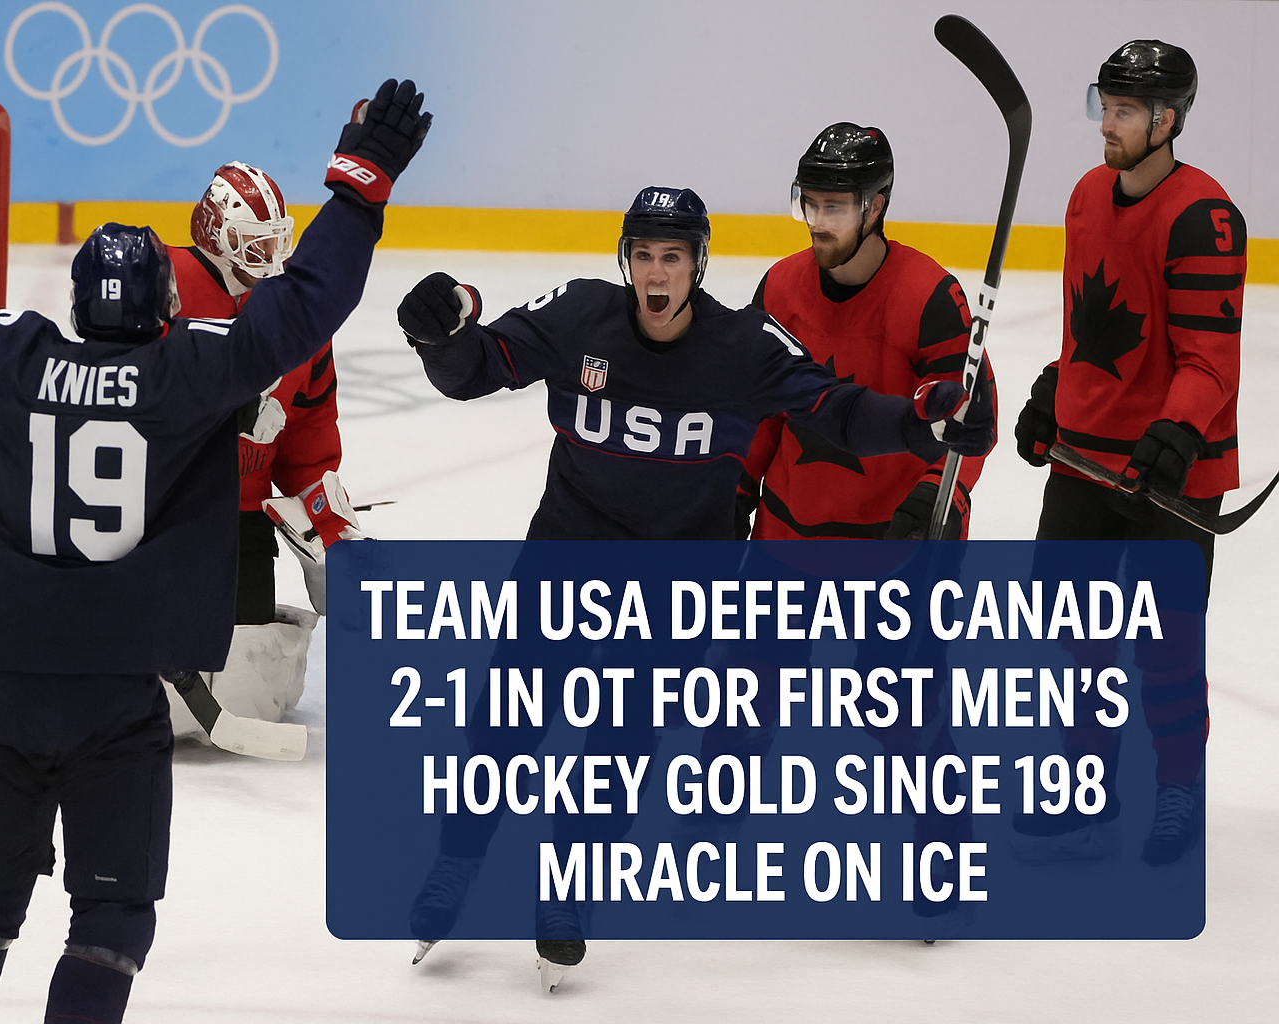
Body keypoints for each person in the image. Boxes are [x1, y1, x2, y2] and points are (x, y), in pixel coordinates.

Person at [0, 77, 429, 1024]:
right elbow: (308, 304)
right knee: (109, 923)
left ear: (76, 305)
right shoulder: (191, 373)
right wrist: (362, 183)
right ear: (165, 307)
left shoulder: (15, 360)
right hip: (115, 705)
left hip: (5, 688)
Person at [394, 185, 996, 987]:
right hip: (567, 558)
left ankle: (568, 892)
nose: (656, 273)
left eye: (672, 258)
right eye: (643, 255)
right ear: (625, 261)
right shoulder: (578, 315)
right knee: (509, 723)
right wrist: (435, 334)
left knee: (619, 746)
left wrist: (923, 421)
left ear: (698, 265)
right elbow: (474, 369)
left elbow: (840, 411)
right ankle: (456, 861)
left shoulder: (742, 346)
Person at [1013, 40, 1242, 866]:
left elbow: (1210, 360)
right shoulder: (1086, 195)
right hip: (1085, 460)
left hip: (1170, 472)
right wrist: (1055, 390)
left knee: (1166, 646)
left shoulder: (1204, 215)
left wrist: (1175, 432)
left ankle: (1178, 787)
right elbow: (1089, 323)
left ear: (1167, 120)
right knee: (1075, 636)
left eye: (1123, 112)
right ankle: (1088, 783)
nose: (1105, 124)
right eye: (1102, 107)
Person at [161, 162, 360, 738]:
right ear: (215, 235)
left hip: (241, 518)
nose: (271, 258)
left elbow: (309, 440)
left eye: (277, 242)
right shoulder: (158, 286)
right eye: (255, 244)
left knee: (246, 679)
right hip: (154, 512)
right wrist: (223, 414)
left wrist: (327, 528)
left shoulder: (298, 318)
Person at [738, 123, 997, 541]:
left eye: (834, 208)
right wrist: (734, 491)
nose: (817, 223)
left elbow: (970, 418)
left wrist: (939, 496)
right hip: (783, 540)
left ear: (874, 207)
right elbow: (755, 413)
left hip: (890, 544)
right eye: (809, 205)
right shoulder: (779, 287)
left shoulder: (929, 297)